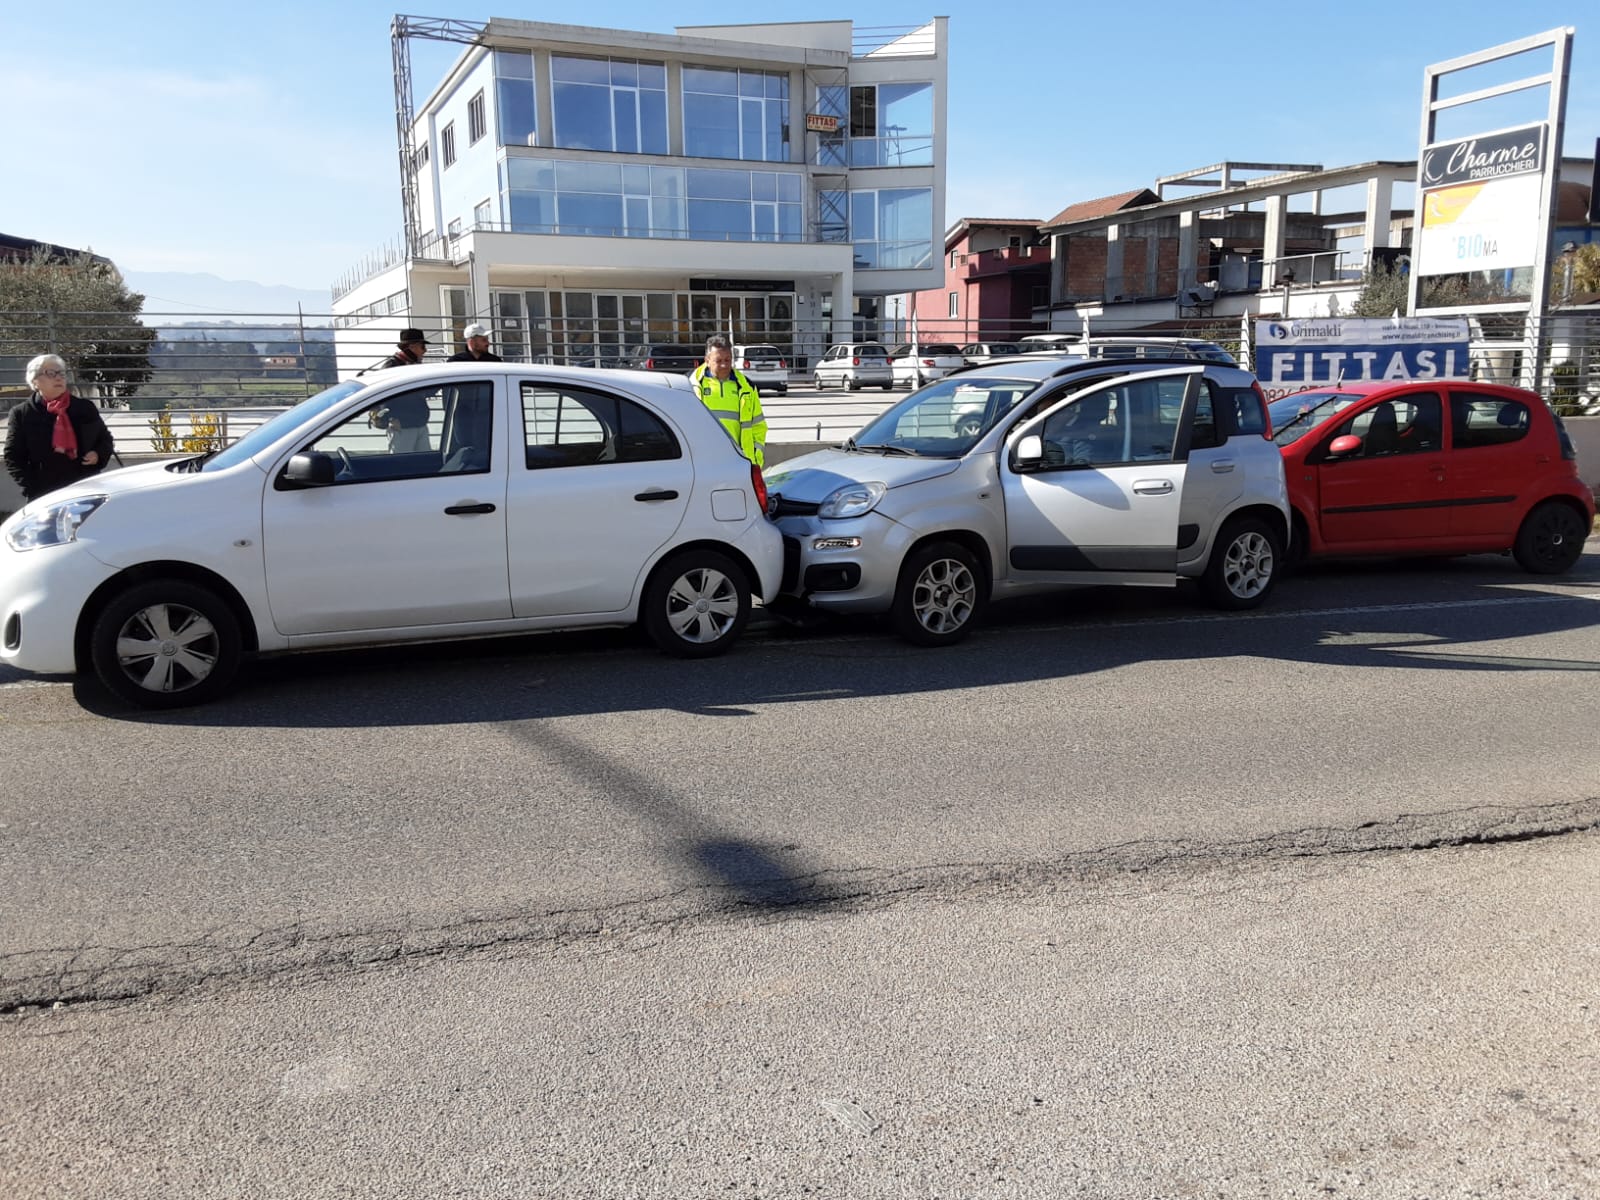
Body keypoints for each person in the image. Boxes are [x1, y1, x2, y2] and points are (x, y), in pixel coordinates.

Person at [5, 354, 115, 502]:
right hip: (43, 493)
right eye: (51, 374)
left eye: (61, 373)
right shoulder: (22, 414)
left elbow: (105, 439)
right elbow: (13, 456)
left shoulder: (84, 408)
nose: (59, 378)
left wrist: (98, 454)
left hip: (85, 488)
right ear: (35, 381)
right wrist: (31, 486)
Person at [689, 333, 767, 468]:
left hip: (739, 462)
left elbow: (758, 426)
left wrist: (755, 459)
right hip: (703, 462)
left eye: (728, 360)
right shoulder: (690, 386)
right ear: (707, 360)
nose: (724, 365)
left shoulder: (747, 387)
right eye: (719, 361)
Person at [368, 328, 432, 452]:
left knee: (425, 465)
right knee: (402, 465)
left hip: (420, 423)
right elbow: (383, 396)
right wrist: (390, 418)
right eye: (422, 347)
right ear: (411, 347)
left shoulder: (415, 366)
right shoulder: (392, 367)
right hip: (401, 427)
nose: (425, 351)